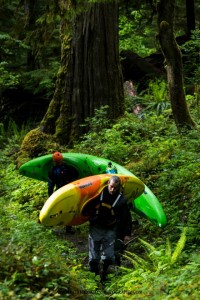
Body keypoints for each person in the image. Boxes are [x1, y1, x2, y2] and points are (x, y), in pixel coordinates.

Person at [87, 175, 132, 282]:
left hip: (111, 228)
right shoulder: (98, 194)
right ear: (108, 184)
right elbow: (85, 207)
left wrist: (127, 233)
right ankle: (94, 274)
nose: (112, 189)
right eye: (111, 186)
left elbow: (127, 217)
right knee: (93, 258)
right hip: (96, 227)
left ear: (119, 187)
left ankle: (103, 275)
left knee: (108, 256)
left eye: (115, 188)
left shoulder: (121, 200)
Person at [48, 151, 74, 234]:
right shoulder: (52, 171)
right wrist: (50, 195)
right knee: (56, 208)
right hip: (59, 191)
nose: (59, 163)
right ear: (54, 162)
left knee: (69, 209)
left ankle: (68, 228)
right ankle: (50, 225)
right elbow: (51, 183)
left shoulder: (68, 168)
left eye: (59, 161)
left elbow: (76, 175)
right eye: (57, 162)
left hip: (68, 191)